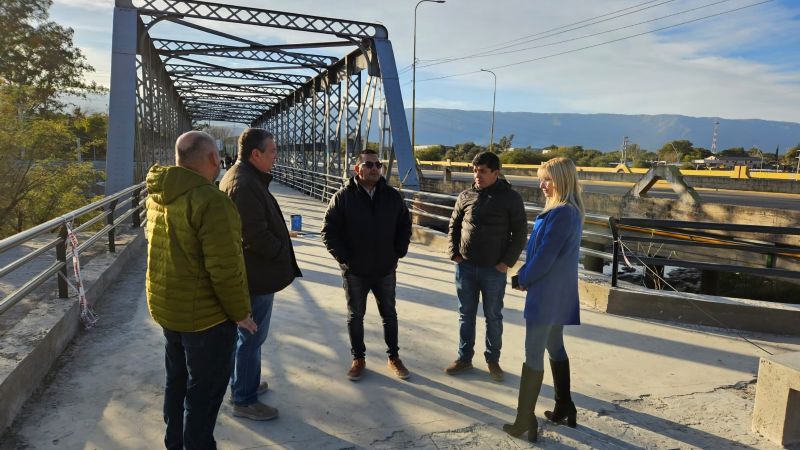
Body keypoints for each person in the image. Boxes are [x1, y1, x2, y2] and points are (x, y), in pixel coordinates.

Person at [145, 130, 257, 449]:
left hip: (169, 310)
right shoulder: (211, 201)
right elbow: (224, 270)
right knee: (203, 397)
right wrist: (241, 315)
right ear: (212, 158)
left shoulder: (157, 193)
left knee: (177, 384)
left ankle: (174, 443)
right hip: (205, 320)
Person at [219, 128, 301, 421]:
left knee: (248, 336)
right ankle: (244, 399)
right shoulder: (244, 184)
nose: (276, 157)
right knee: (251, 336)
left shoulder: (244, 177)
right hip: (255, 277)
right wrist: (281, 249)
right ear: (256, 154)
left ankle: (245, 383)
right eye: (273, 152)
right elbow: (252, 235)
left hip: (253, 274)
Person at [504, 156, 584, 442]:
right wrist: (526, 272)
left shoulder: (562, 213)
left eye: (547, 179)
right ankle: (564, 404)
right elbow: (545, 255)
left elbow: (545, 257)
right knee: (555, 346)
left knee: (533, 354)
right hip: (559, 294)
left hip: (547, 294)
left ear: (561, 181)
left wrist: (523, 278)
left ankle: (524, 419)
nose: (542, 185)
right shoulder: (569, 212)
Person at [321, 149, 412, 381]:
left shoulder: (392, 196)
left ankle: (394, 357)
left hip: (385, 269)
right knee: (356, 316)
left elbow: (405, 225)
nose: (374, 169)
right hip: (356, 271)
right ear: (357, 169)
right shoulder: (343, 197)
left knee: (389, 315)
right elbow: (329, 231)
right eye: (369, 164)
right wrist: (345, 259)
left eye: (377, 165)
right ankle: (358, 359)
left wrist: (398, 252)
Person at [445, 151, 527, 381]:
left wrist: (506, 263)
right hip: (466, 267)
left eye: (482, 171)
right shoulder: (466, 195)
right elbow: (454, 225)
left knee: (493, 316)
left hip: (494, 270)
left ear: (496, 172)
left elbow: (520, 233)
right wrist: (455, 254)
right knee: (466, 314)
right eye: (475, 170)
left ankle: (493, 361)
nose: (477, 175)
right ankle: (464, 358)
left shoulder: (510, 198)